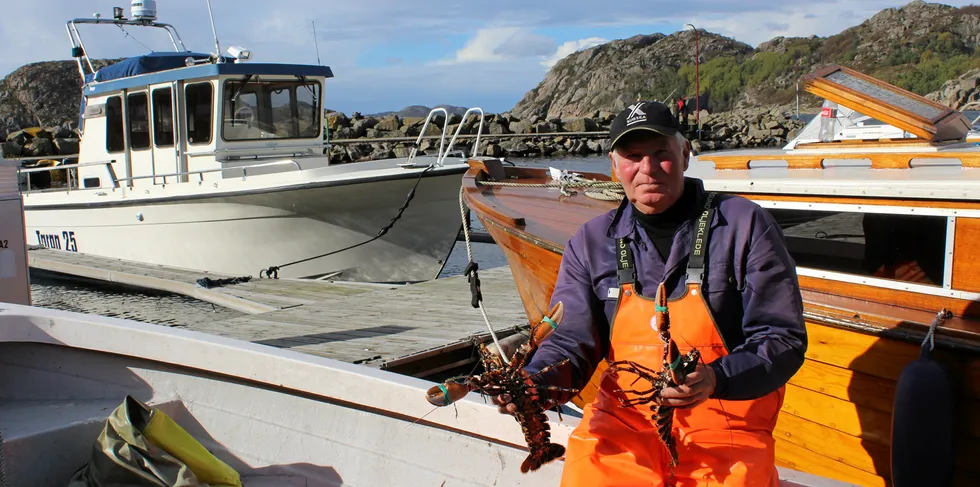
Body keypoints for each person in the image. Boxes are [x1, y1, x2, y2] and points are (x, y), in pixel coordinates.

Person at [494, 100, 807, 486]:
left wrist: (715, 378)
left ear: (685, 154)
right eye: (633, 156)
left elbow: (781, 337)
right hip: (624, 423)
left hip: (727, 424)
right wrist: (536, 383)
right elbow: (572, 341)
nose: (648, 168)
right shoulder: (591, 242)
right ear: (613, 164)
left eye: (662, 154)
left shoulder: (745, 225)